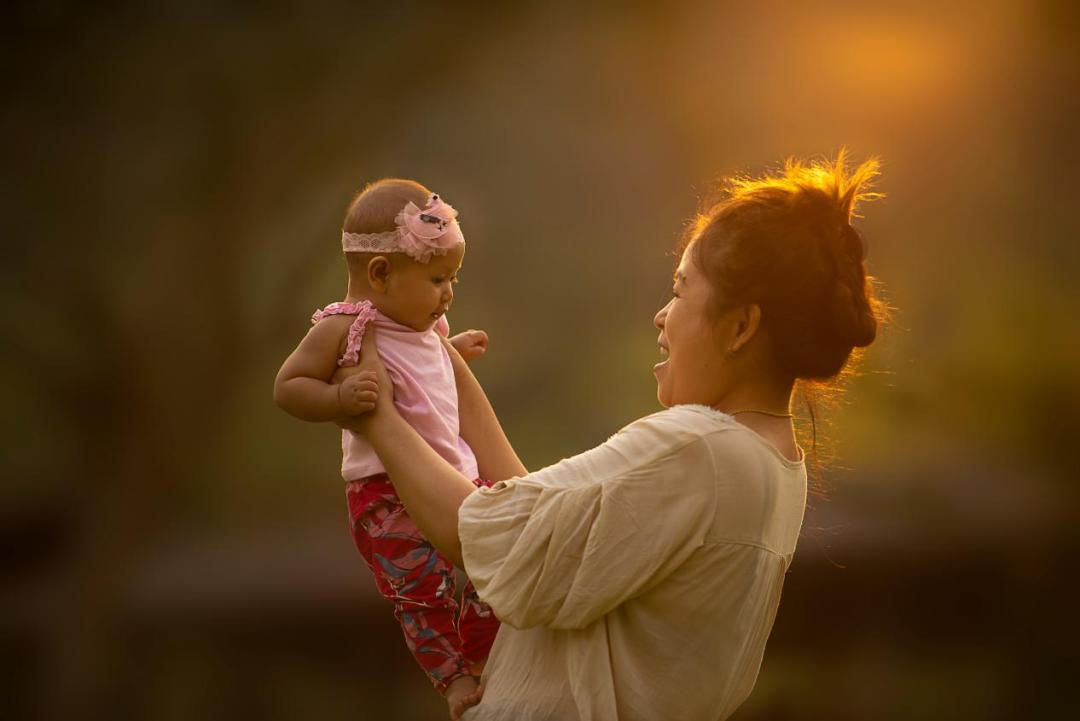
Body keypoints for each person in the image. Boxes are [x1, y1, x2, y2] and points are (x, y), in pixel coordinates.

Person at [340, 152, 888, 720]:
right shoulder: (769, 464)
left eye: (679, 291)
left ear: (742, 326)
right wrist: (446, 371)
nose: (660, 315)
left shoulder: (697, 446)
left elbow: (487, 540)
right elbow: (539, 528)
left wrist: (379, 414)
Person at [273, 179, 499, 715]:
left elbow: (428, 373)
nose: (449, 292)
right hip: (384, 494)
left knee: (505, 544)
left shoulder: (424, 325)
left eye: (453, 279)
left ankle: (486, 646)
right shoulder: (346, 328)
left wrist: (453, 352)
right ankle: (452, 678)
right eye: (439, 278)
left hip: (453, 477)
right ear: (380, 275)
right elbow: (288, 387)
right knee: (421, 589)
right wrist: (339, 397)